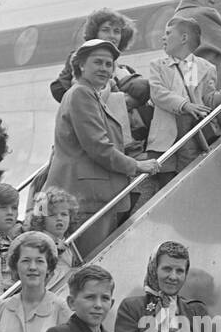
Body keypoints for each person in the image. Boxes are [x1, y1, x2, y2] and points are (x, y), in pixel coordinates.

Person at [45, 38, 155, 251]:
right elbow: (98, 147)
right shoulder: (81, 93)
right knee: (88, 264)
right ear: (81, 65)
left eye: (109, 64)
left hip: (88, 195)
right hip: (86, 197)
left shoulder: (90, 95)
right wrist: (137, 166)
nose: (104, 68)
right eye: (98, 62)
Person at [49, 11, 152, 141]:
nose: (112, 36)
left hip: (127, 137)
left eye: (117, 31)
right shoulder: (78, 59)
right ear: (95, 33)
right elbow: (61, 90)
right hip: (94, 132)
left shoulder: (126, 70)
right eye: (106, 30)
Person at [146, 16, 221, 168]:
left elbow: (208, 98)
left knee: (190, 170)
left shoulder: (204, 67)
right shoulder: (158, 65)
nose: (164, 38)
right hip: (164, 136)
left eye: (169, 33)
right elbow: (157, 93)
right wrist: (185, 105)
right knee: (165, 175)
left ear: (184, 38)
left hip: (193, 134)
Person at [23, 189, 82, 290]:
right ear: (41, 218)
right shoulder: (39, 239)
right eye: (52, 215)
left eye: (64, 214)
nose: (59, 218)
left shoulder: (67, 240)